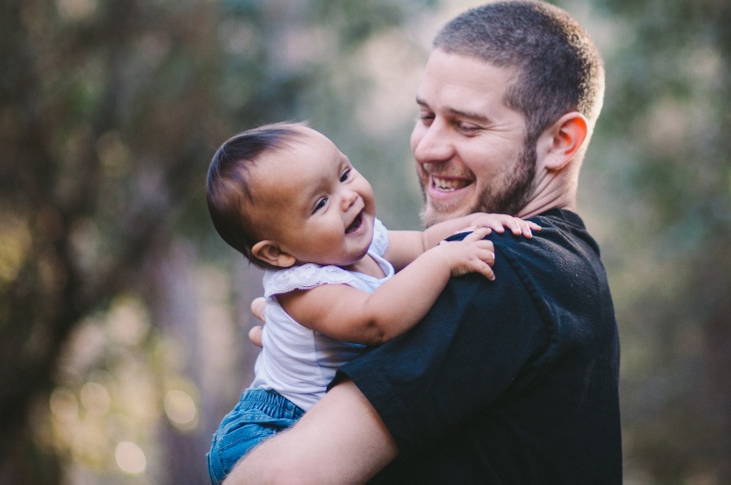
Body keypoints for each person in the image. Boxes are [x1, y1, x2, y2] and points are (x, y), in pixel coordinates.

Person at [229, 0, 622, 484]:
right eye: (426, 116)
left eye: (467, 125)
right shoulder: (567, 265)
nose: (428, 147)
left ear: (561, 142)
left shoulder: (501, 269)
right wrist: (313, 346)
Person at [204, 122, 539, 483]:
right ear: (278, 252)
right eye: (320, 203)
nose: (348, 197)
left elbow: (425, 242)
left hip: (319, 420)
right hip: (269, 428)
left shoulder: (362, 245)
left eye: (344, 174)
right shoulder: (305, 288)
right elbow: (376, 320)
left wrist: (477, 224)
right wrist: (443, 261)